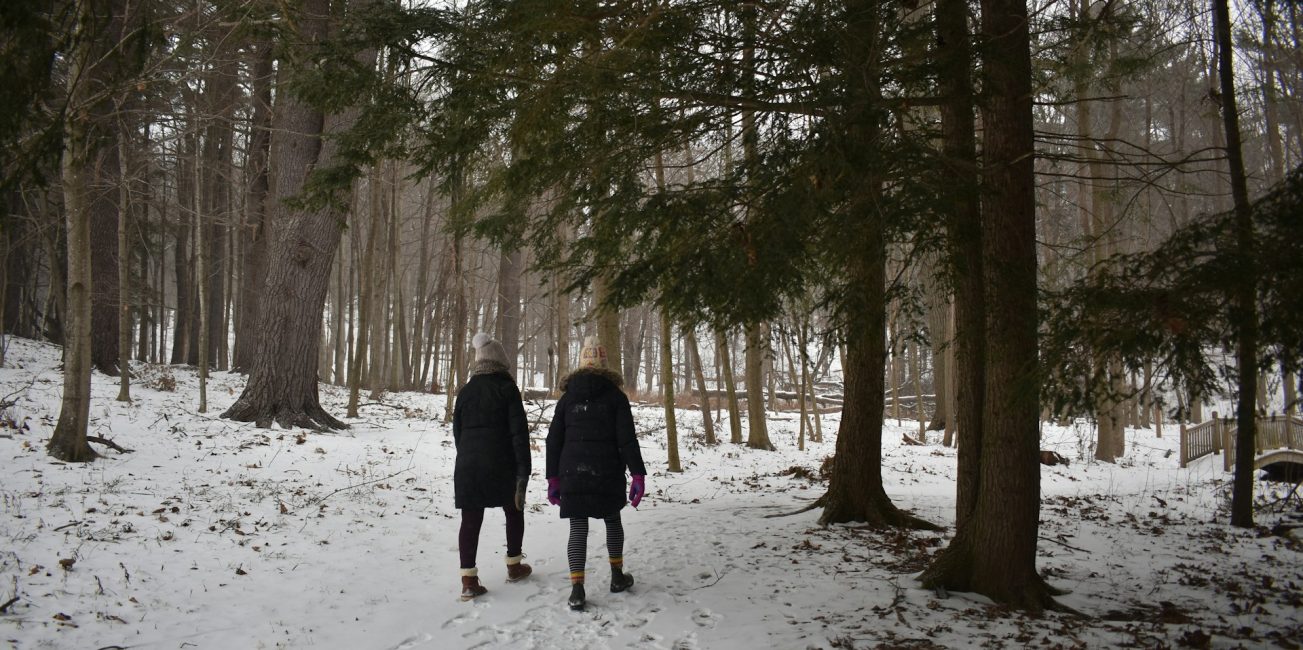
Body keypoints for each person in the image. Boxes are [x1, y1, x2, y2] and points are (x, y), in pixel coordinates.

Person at [546, 335, 647, 611]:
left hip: (572, 471)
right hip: (607, 471)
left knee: (578, 526)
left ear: (580, 365)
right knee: (612, 520)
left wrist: (553, 478)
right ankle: (617, 576)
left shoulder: (566, 400)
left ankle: (577, 589)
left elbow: (553, 440)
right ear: (604, 364)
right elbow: (627, 440)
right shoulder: (616, 397)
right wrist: (637, 475)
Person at [452, 333, 532, 600]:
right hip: (502, 463)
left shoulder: (465, 391)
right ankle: (514, 565)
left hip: (468, 464)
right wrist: (523, 472)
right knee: (514, 509)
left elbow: (458, 433)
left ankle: (468, 581)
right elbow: (519, 434)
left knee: (470, 520)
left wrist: (467, 457)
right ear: (500, 360)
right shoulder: (507, 388)